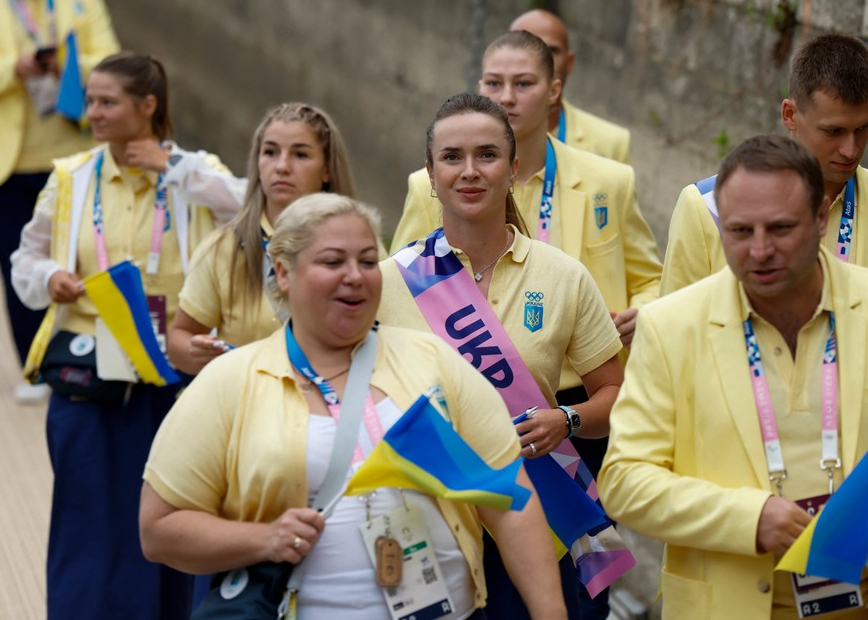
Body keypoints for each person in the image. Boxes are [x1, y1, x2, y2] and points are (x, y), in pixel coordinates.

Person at [599, 134, 868, 619]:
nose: (759, 250)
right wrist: (750, 519)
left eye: (779, 228)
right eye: (738, 231)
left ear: (820, 219)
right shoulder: (671, 326)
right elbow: (625, 480)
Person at [140, 192, 566, 620]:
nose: (355, 276)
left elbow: (510, 497)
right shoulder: (229, 381)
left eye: (366, 261)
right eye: (332, 262)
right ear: (285, 273)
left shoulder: (431, 360)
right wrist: (265, 539)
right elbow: (158, 529)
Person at [657, 33, 868, 587]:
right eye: (834, 131)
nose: (851, 149)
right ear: (790, 116)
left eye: (864, 128)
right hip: (743, 520)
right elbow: (667, 373)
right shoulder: (704, 210)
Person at [10, 52, 238, 619]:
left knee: (178, 520)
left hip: (178, 374)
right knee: (87, 519)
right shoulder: (71, 178)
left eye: (106, 101)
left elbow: (253, 206)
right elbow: (25, 259)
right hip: (89, 376)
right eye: (90, 101)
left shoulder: (195, 170)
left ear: (148, 106)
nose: (92, 113)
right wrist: (50, 278)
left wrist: (176, 170)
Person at [380, 92, 625, 619]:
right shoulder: (386, 282)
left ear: (512, 168)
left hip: (539, 515)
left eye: (487, 155)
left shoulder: (563, 276)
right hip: (430, 523)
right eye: (452, 157)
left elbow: (616, 395)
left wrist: (567, 418)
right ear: (430, 172)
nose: (470, 171)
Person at [0, 0, 119, 403]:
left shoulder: (80, 1)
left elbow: (113, 65)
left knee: (86, 257)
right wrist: (15, 69)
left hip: (73, 155)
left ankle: (89, 357)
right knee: (20, 260)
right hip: (6, 163)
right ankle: (37, 364)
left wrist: (68, 66)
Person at [167, 102, 357, 375]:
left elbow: (382, 336)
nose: (281, 166)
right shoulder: (224, 246)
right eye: (270, 152)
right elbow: (179, 339)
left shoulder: (359, 246)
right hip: (244, 408)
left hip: (333, 409)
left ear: (327, 169)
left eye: (300, 155)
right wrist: (196, 352)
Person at [509, 8, 631, 163]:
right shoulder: (472, 137)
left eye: (551, 51)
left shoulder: (612, 143)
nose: (540, 62)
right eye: (525, 49)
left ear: (569, 62)